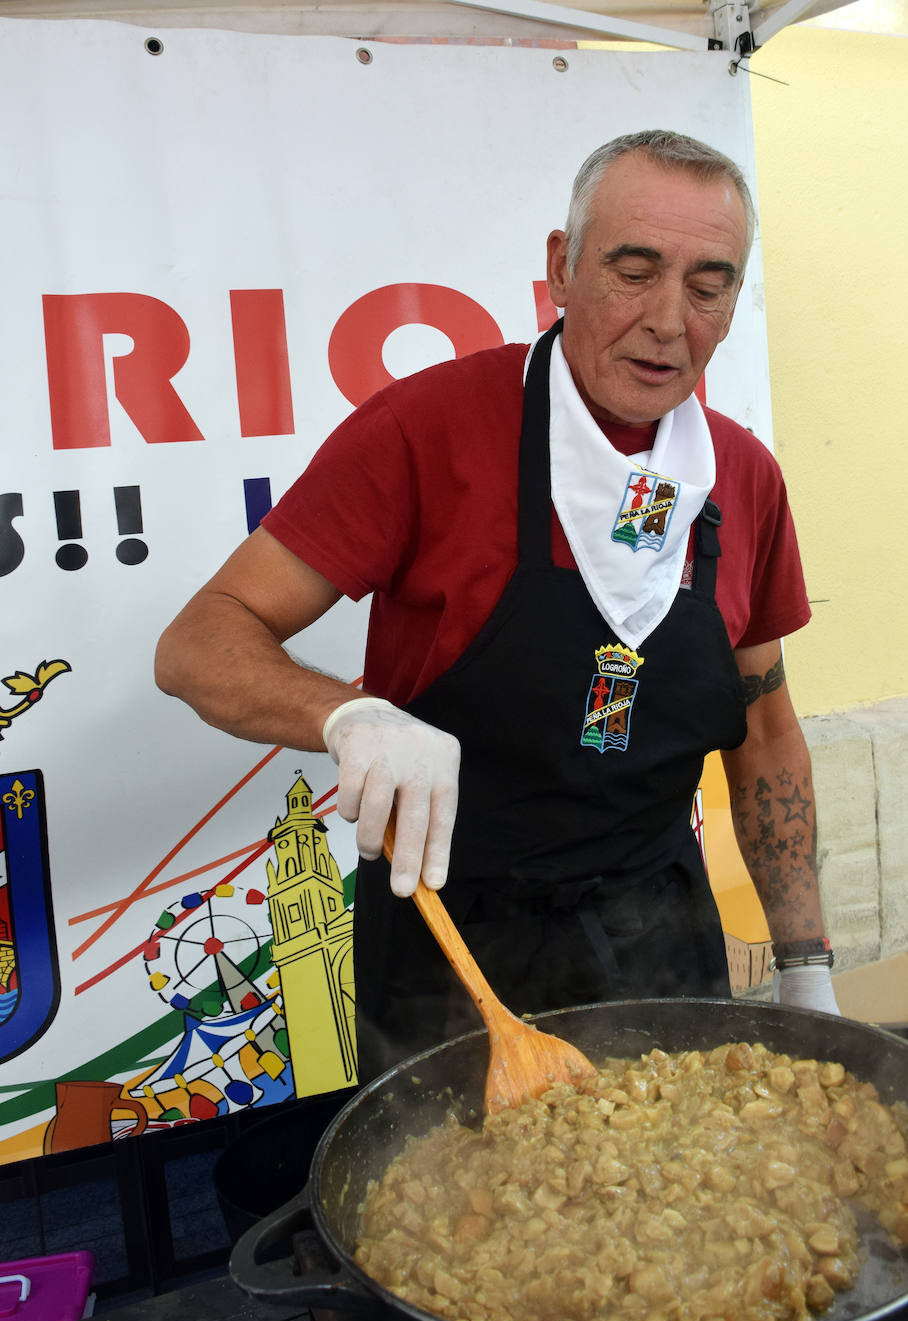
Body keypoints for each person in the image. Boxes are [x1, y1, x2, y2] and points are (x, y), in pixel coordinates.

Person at [155, 129, 840, 1083]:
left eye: (707, 284)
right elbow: (197, 642)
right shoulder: (427, 430)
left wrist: (807, 968)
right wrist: (346, 715)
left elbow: (764, 731)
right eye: (632, 270)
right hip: (451, 948)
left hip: (661, 937)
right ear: (560, 268)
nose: (667, 321)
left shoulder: (743, 480)